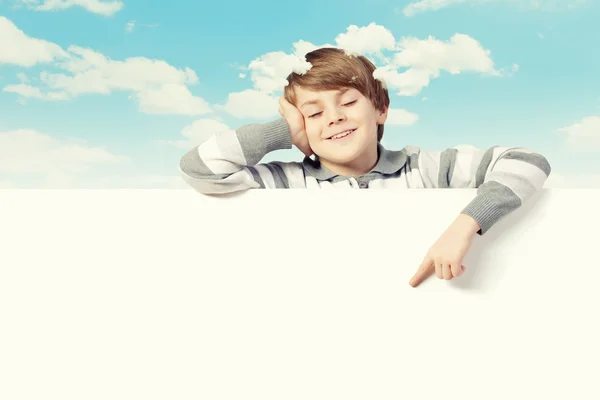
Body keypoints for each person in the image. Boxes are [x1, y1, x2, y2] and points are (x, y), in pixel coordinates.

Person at [179, 47, 551, 288]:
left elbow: (528, 161)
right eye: (314, 112)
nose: (335, 118)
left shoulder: (425, 168)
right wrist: (285, 131)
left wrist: (464, 226)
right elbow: (199, 169)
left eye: (348, 102)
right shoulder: (285, 181)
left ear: (380, 109)